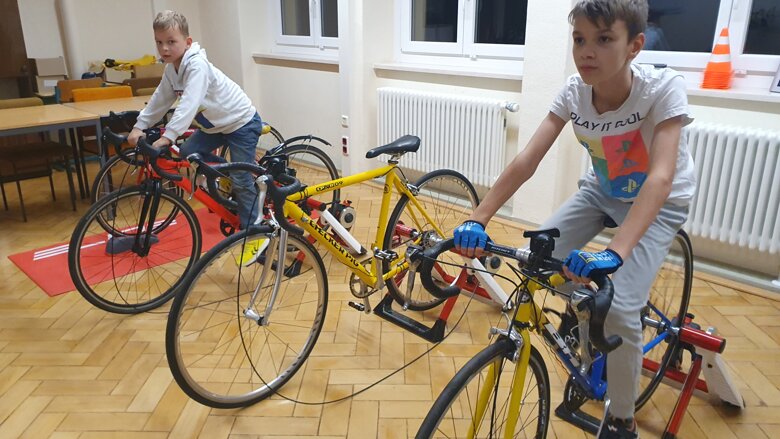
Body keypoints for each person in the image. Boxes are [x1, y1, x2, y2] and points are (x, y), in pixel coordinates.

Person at [453, 1, 695, 437]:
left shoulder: (662, 88)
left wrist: (615, 253)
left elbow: (659, 179)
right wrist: (479, 218)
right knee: (537, 261)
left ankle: (621, 418)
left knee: (621, 309)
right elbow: (527, 159)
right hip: (601, 193)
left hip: (659, 205)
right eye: (580, 39)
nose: (587, 51)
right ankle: (588, 307)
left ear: (634, 45)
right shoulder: (573, 93)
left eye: (604, 39)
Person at [128, 10, 266, 265]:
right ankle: (229, 180)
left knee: (241, 176)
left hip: (241, 123)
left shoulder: (196, 66)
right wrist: (139, 126)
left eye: (171, 41)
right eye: (159, 42)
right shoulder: (172, 70)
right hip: (215, 128)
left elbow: (189, 104)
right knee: (188, 152)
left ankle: (254, 231)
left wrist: (168, 137)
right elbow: (160, 99)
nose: (165, 48)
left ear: (187, 42)